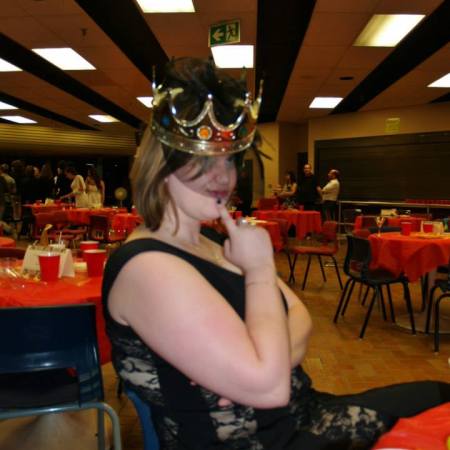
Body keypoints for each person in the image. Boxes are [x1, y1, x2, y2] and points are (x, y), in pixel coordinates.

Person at [102, 58, 449, 450]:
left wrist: (266, 362)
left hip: (302, 413)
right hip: (252, 441)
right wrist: (259, 272)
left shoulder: (212, 240)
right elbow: (269, 388)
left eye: (229, 160)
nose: (223, 177)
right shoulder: (147, 268)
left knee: (438, 396)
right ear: (160, 167)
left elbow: (300, 316)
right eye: (201, 160)